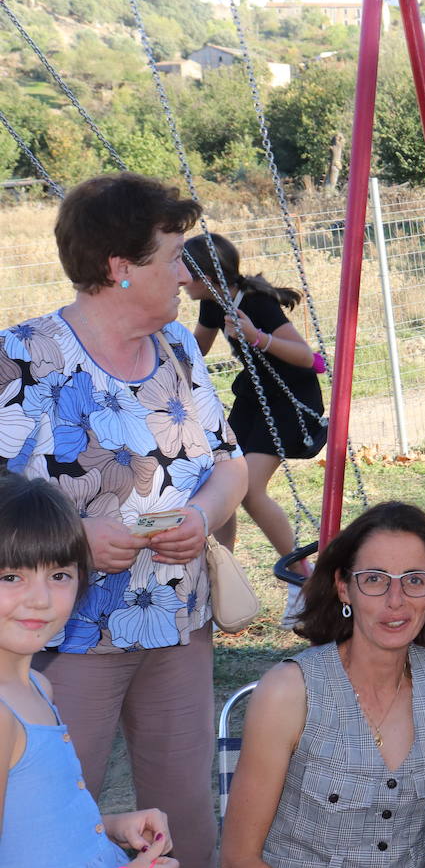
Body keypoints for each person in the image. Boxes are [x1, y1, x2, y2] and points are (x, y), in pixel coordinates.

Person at [0, 172, 248, 868]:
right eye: (172, 257)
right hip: (62, 636)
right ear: (119, 268)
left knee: (183, 819)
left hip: (177, 622)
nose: (184, 274)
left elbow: (228, 464)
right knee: (51, 814)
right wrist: (74, 537)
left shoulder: (177, 346)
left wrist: (201, 517)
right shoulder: (21, 358)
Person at [219, 501, 425, 868]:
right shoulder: (289, 692)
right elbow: (238, 863)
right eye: (374, 580)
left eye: (415, 580)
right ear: (344, 588)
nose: (396, 600)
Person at [0, 474, 179, 868]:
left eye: (59, 575)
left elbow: (33, 817)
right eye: (11, 577)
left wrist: (111, 826)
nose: (40, 599)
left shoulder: (36, 688)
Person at [183, 232, 325, 625]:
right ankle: (222, 578)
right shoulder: (213, 303)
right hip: (253, 398)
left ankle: (305, 582)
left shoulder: (256, 303)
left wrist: (257, 337)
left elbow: (308, 357)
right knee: (220, 482)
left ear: (206, 274)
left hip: (287, 400)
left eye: (185, 270)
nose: (178, 277)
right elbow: (197, 348)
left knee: (249, 490)